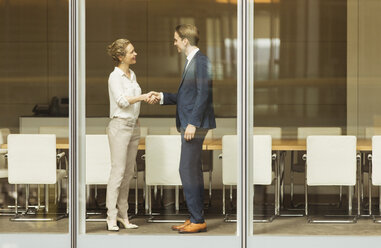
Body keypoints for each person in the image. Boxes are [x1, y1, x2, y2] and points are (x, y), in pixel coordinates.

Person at [149, 24, 216, 233]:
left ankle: (198, 219)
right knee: (192, 171)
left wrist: (193, 123)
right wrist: (162, 97)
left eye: (176, 39)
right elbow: (187, 96)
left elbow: (203, 95)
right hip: (191, 124)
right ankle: (195, 217)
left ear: (185, 40)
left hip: (194, 125)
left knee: (186, 169)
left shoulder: (201, 62)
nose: (174, 43)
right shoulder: (192, 62)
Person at [105, 38, 157, 231]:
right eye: (131, 52)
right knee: (117, 173)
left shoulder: (131, 74)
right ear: (120, 56)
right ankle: (111, 217)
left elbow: (133, 100)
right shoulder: (114, 77)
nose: (135, 54)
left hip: (134, 126)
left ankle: (123, 215)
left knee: (128, 173)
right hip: (119, 126)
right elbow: (122, 101)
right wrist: (143, 97)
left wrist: (145, 98)